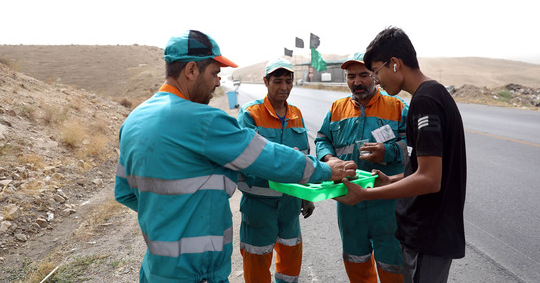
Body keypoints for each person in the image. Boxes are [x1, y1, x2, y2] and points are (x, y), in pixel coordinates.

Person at [114, 30, 357, 283]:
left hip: (155, 270)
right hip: (198, 273)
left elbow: (124, 192)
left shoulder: (133, 121)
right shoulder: (204, 122)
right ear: (191, 71)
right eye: (214, 73)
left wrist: (169, 217)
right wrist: (327, 171)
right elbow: (267, 157)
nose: (218, 82)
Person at [337, 27, 467, 283]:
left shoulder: (425, 101)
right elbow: (424, 169)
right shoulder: (433, 94)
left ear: (394, 64)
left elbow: (430, 179)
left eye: (376, 72)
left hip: (428, 235)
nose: (378, 80)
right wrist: (392, 180)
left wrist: (366, 193)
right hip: (428, 233)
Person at [315, 52, 408, 283]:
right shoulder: (336, 108)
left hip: (387, 201)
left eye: (364, 75)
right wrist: (329, 158)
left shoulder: (397, 107)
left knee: (393, 264)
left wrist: (388, 151)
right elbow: (322, 139)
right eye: (351, 76)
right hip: (349, 202)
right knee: (356, 261)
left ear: (375, 76)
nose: (357, 82)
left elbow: (415, 147)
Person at [237, 58, 315, 283]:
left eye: (288, 81)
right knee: (257, 265)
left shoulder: (296, 114)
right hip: (258, 206)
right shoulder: (250, 114)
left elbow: (305, 158)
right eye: (278, 81)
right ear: (266, 81)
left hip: (290, 206)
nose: (284, 87)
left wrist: (306, 195)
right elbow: (248, 160)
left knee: (290, 265)